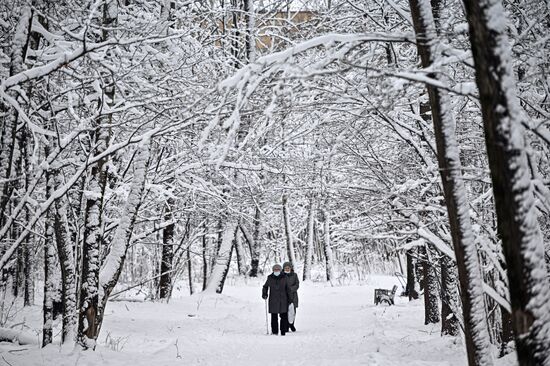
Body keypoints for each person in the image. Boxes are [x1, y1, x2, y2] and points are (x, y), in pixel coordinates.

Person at [262, 264, 292, 336]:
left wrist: (290, 299)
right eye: (275, 270)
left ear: (280, 270)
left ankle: (283, 331)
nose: (276, 271)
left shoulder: (285, 277)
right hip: (273, 300)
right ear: (273, 270)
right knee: (274, 317)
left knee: (283, 317)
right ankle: (274, 331)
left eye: (278, 270)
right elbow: (265, 286)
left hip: (283, 300)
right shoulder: (270, 278)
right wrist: (264, 294)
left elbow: (288, 289)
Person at [283, 262, 299, 332]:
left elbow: (297, 284)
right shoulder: (281, 275)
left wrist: (290, 289)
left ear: (291, 268)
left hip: (293, 296)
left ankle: (291, 324)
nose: (287, 269)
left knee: (293, 311)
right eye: (285, 268)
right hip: (284, 296)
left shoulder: (294, 275)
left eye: (288, 268)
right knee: (285, 311)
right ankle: (286, 326)